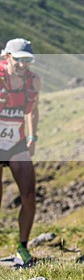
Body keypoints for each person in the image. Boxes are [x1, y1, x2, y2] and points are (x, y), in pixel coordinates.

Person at [0, 38, 41, 267]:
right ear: (7, 57)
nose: (24, 65)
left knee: (29, 194)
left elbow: (33, 110)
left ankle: (22, 247)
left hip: (16, 141)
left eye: (28, 60)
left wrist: (33, 138)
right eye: (19, 60)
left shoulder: (33, 80)